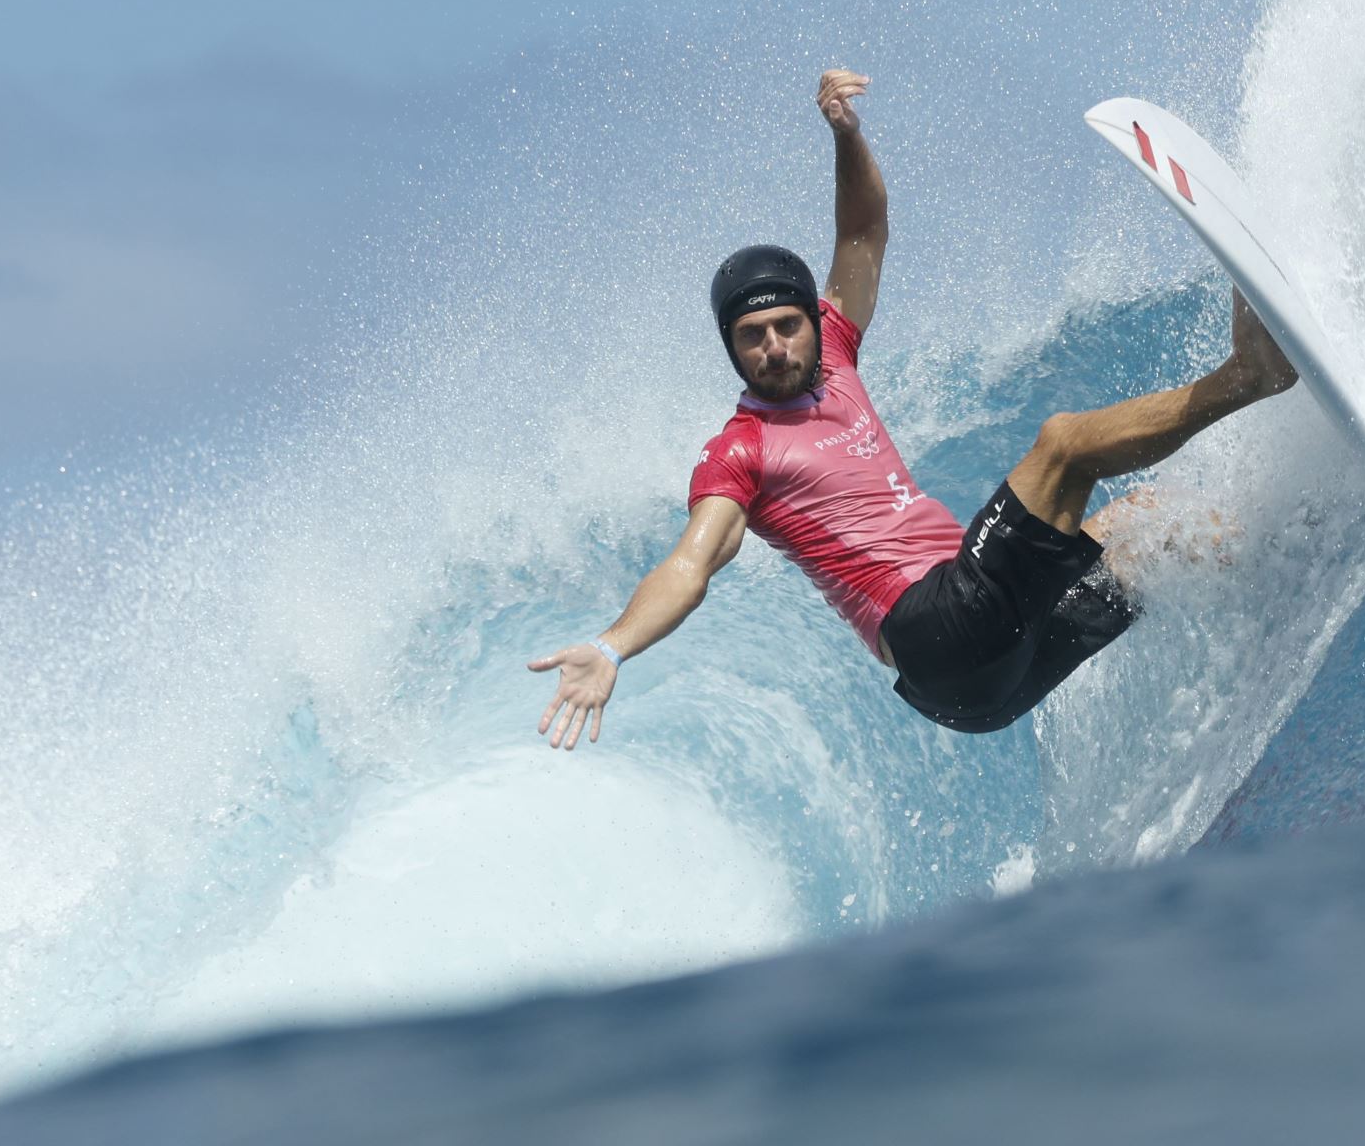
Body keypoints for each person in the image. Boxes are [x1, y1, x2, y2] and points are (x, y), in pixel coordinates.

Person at [528, 68, 1297, 750]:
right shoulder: (740, 452)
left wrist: (846, 134)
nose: (772, 347)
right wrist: (614, 646)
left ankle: (1303, 540)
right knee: (1062, 445)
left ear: (810, 320)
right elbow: (691, 565)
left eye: (785, 326)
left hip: (978, 694)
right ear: (732, 349)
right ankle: (1248, 376)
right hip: (934, 634)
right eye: (751, 337)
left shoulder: (836, 346)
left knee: (1157, 528)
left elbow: (862, 229)